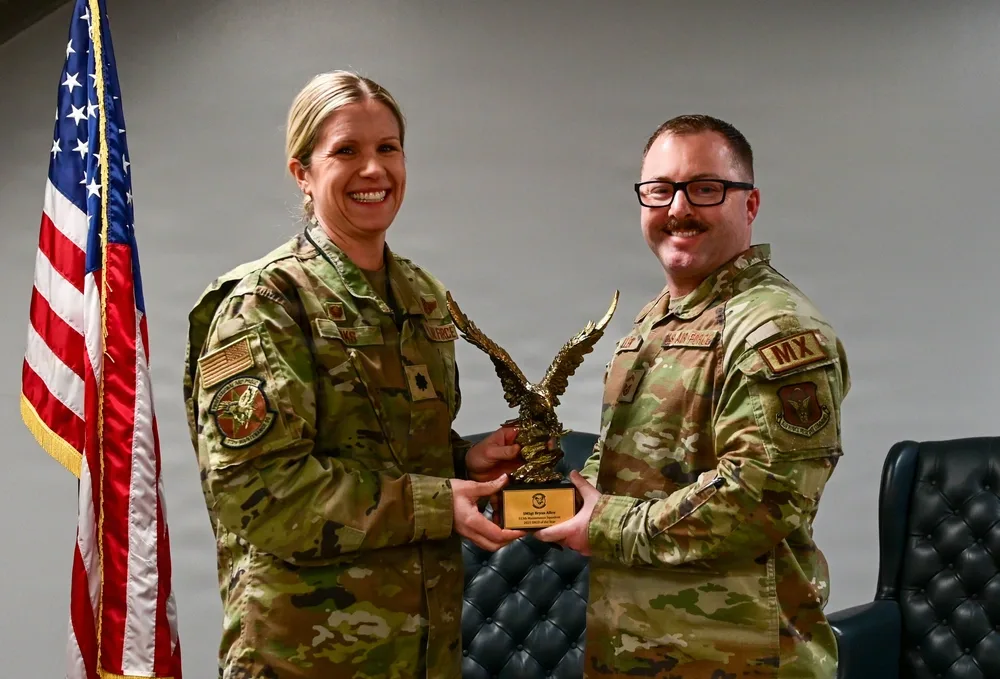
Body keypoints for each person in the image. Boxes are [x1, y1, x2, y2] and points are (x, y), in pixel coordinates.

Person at [182, 70, 526, 679]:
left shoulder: (419, 294)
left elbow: (383, 454)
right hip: (306, 655)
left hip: (423, 650)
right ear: (303, 172)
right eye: (347, 150)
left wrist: (461, 463)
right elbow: (259, 492)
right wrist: (434, 503)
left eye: (387, 148)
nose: (374, 170)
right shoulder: (266, 301)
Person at [534, 114, 850, 678]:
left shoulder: (774, 329)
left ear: (749, 205)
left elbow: (762, 499)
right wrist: (550, 489)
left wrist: (604, 525)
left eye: (705, 189)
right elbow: (637, 469)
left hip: (737, 659)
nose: (678, 208)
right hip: (641, 652)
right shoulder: (658, 320)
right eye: (660, 190)